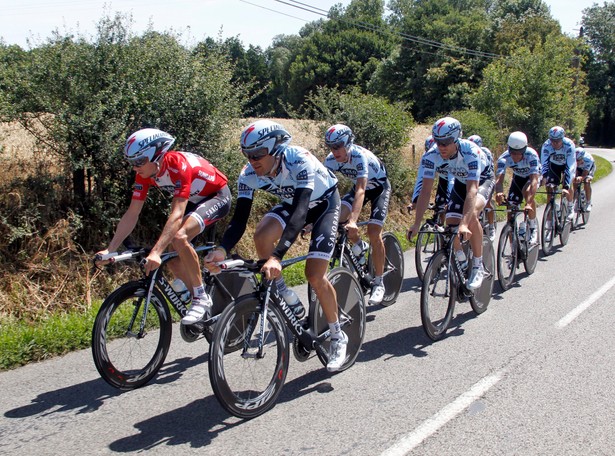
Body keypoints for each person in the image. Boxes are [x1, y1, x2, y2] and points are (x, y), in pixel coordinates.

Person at [203, 119, 348, 372]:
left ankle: (338, 335)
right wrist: (222, 249)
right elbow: (239, 220)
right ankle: (282, 291)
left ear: (277, 149)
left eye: (259, 153)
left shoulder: (298, 160)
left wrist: (277, 256)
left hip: (323, 204)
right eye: (247, 154)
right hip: (294, 203)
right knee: (261, 235)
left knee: (314, 275)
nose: (252, 160)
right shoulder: (248, 175)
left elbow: (301, 213)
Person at [95, 128, 232, 326]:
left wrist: (156, 252)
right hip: (195, 200)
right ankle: (196, 297)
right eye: (131, 162)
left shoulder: (179, 165)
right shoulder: (145, 172)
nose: (135, 168)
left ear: (156, 155)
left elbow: (176, 214)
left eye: (139, 161)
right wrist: (111, 249)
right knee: (173, 261)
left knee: (179, 238)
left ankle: (201, 297)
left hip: (216, 196)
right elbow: (132, 213)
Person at [407, 117, 495, 290]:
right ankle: (461, 259)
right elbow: (425, 191)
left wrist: (464, 224)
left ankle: (478, 266)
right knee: (450, 223)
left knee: (470, 217)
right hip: (461, 182)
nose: (441, 147)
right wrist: (417, 223)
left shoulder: (471, 152)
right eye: (438, 142)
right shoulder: (432, 155)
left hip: (482, 180)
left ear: (456, 139)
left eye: (446, 142)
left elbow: (472, 190)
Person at [323, 124, 391, 305]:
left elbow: (361, 190)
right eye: (331, 146)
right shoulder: (330, 161)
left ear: (348, 143)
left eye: (338, 146)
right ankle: (360, 246)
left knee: (374, 231)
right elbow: (325, 192)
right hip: (359, 188)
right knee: (337, 219)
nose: (334, 151)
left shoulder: (359, 156)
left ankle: (379, 282)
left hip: (378, 188)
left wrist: (353, 220)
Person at [494, 131, 541, 244]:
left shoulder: (532, 155)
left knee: (527, 191)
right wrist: (499, 192)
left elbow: (534, 180)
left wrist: (528, 203)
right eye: (513, 153)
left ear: (524, 149)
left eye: (519, 153)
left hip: (531, 177)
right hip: (518, 177)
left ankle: (533, 225)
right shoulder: (504, 157)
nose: (515, 156)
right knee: (510, 208)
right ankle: (513, 247)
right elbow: (499, 179)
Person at [408, 135, 453, 221]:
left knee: (452, 209)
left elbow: (452, 180)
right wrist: (415, 200)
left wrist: (449, 202)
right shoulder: (427, 156)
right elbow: (421, 178)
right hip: (443, 178)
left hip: (456, 178)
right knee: (439, 205)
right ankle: (441, 227)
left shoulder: (449, 154)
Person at [540, 126, 576, 220]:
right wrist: (544, 177)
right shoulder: (546, 145)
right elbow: (544, 164)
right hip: (554, 165)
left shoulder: (569, 145)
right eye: (552, 140)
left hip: (566, 165)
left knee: (568, 183)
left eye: (558, 141)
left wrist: (566, 186)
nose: (555, 143)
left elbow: (571, 166)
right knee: (550, 188)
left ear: (562, 138)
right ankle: (550, 215)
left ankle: (570, 206)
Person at [468, 134, 496, 242]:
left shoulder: (486, 152)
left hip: (485, 179)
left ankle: (491, 226)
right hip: (474, 179)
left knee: (486, 203)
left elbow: (489, 170)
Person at [574, 147, 595, 211]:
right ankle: (576, 200)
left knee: (586, 181)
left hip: (589, 169)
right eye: (575, 160)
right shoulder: (573, 158)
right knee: (574, 182)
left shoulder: (588, 159)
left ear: (582, 158)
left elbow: (584, 174)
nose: (576, 162)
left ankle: (588, 202)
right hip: (579, 168)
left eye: (578, 160)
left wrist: (581, 177)